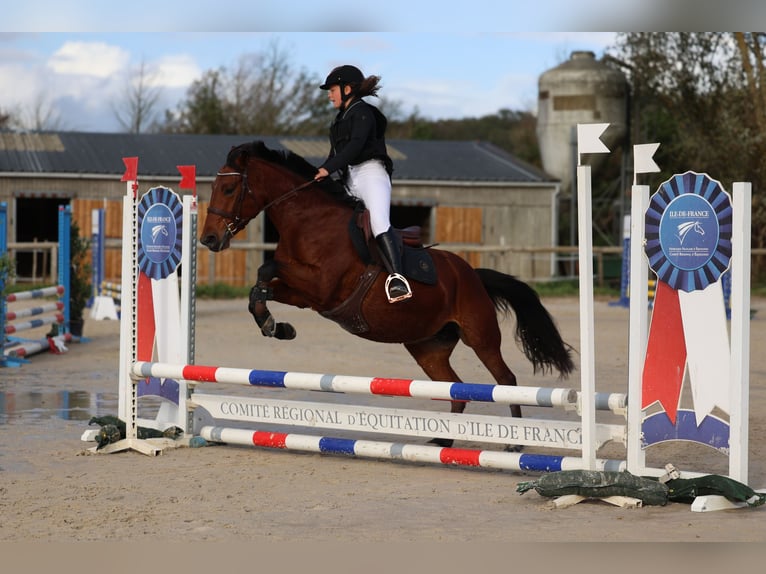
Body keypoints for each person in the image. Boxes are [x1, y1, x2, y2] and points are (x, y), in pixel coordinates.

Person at [315, 64, 412, 303]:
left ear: (347, 89)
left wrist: (328, 168)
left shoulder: (363, 113)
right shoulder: (338, 121)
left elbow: (355, 147)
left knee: (379, 222)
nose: (329, 94)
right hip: (349, 176)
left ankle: (398, 279)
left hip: (371, 173)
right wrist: (317, 175)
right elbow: (334, 154)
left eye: (332, 89)